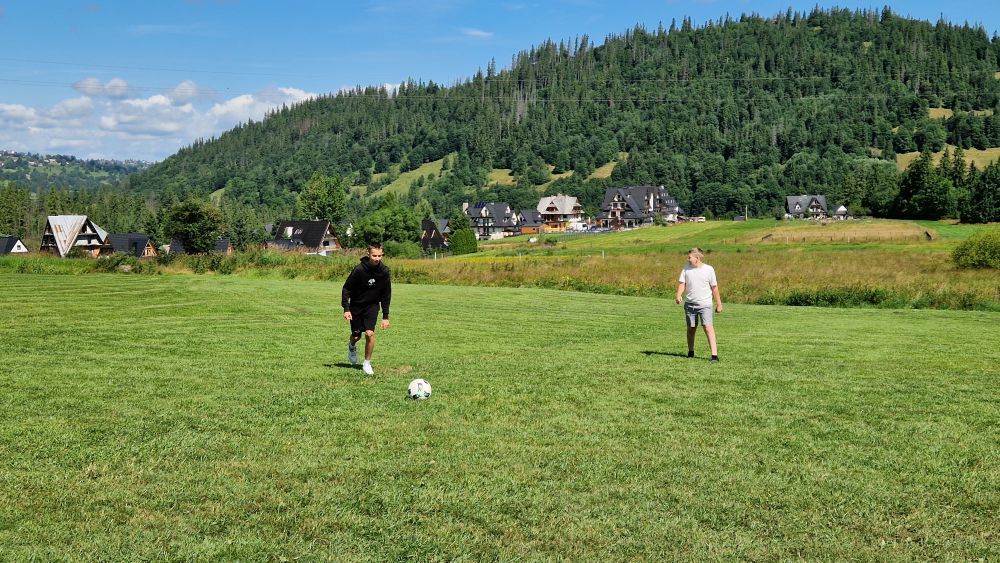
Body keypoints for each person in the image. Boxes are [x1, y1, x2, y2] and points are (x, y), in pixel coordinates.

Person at [342, 243, 391, 375]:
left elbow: (386, 295)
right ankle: (352, 346)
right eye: (374, 256)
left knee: (369, 333)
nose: (377, 258)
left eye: (379, 256)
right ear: (368, 254)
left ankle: (366, 363)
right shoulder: (359, 270)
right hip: (356, 306)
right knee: (356, 336)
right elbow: (346, 289)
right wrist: (346, 308)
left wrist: (385, 317)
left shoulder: (384, 271)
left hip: (372, 306)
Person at [675, 247, 723, 362]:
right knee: (691, 328)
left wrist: (719, 304)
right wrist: (679, 295)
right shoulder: (686, 269)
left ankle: (714, 355)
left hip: (705, 305)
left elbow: (714, 288)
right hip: (690, 304)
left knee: (708, 327)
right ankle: (691, 351)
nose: (688, 259)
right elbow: (682, 283)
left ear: (697, 258)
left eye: (689, 257)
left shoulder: (709, 269)